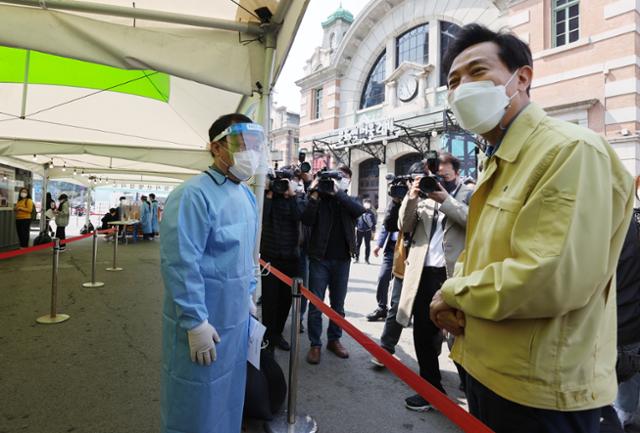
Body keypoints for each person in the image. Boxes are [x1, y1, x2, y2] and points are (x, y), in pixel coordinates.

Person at [429, 24, 635, 433]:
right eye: (453, 82)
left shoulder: (569, 149)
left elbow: (550, 276)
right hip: (492, 373)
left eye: (477, 71)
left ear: (521, 78)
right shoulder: (500, 158)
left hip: (541, 393)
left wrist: (452, 293)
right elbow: (485, 252)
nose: (462, 88)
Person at [160, 113, 264, 433]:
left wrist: (248, 292)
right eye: (241, 144)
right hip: (205, 320)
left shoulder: (245, 194)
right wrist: (195, 322)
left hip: (235, 318)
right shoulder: (192, 194)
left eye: (256, 145)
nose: (251, 153)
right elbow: (180, 262)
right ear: (216, 148)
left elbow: (246, 254)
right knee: (196, 399)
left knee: (229, 395)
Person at [396, 156, 472, 412]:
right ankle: (430, 389)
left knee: (459, 335)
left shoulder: (470, 192)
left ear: (457, 174)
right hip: (424, 275)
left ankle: (473, 392)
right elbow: (404, 226)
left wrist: (446, 201)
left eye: (446, 178)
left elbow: (476, 222)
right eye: (436, 177)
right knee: (424, 335)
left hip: (454, 275)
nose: (440, 182)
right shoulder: (424, 196)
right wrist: (413, 195)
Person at [303, 165, 365, 364]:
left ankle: (334, 340)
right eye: (333, 179)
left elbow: (359, 211)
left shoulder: (348, 199)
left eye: (342, 178)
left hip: (342, 259)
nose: (335, 182)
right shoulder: (318, 199)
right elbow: (306, 218)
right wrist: (313, 192)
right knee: (316, 304)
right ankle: (315, 344)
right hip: (319, 258)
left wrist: (338, 193)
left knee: (338, 305)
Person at [260, 168, 306, 352]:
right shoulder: (266, 198)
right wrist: (270, 192)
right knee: (270, 299)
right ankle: (268, 336)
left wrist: (292, 194)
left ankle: (277, 334)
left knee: (286, 299)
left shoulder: (297, 198)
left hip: (291, 258)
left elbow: (299, 216)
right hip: (269, 257)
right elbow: (262, 216)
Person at [608, 180, 640, 431]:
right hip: (624, 329)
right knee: (624, 408)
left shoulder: (610, 224)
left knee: (624, 409)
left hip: (619, 328)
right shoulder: (629, 224)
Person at [366, 196, 402, 321]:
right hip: (391, 247)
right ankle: (382, 308)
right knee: (383, 277)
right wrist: (379, 245)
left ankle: (400, 312)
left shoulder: (416, 200)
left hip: (408, 248)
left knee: (403, 282)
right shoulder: (393, 203)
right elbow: (386, 224)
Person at [354, 199, 376, 264]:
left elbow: (374, 222)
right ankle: (356, 258)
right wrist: (356, 227)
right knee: (358, 244)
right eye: (365, 203)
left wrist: (373, 231)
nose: (367, 204)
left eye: (368, 203)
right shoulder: (359, 211)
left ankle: (367, 259)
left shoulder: (371, 213)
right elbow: (355, 219)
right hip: (359, 230)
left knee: (367, 245)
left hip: (368, 231)